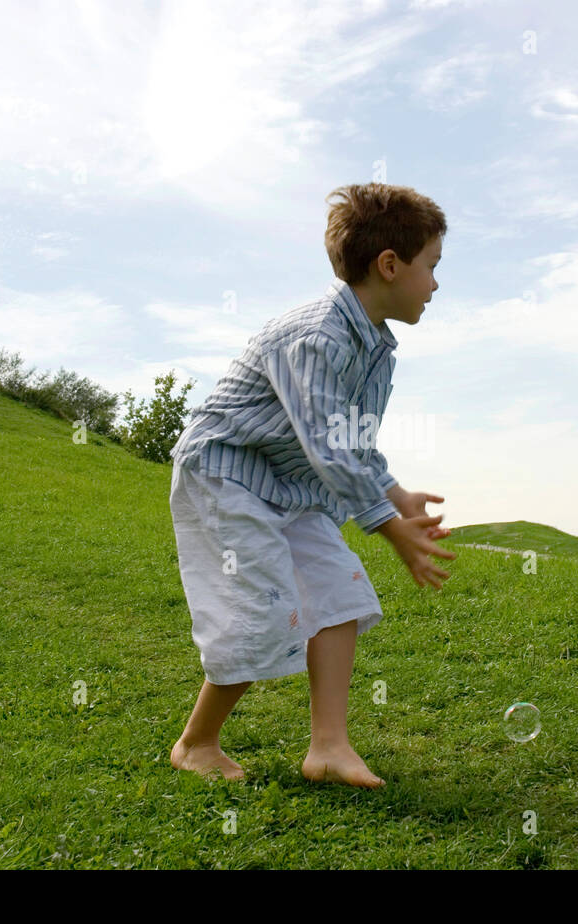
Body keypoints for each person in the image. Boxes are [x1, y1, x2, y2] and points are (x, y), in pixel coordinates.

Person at [167, 183, 456, 788]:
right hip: (228, 474)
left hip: (293, 487)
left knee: (340, 594)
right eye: (431, 267)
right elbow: (328, 442)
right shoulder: (319, 335)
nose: (434, 284)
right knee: (260, 606)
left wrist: (396, 492)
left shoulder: (375, 347)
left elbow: (352, 438)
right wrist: (388, 527)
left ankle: (328, 747)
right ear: (389, 265)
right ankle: (197, 743)